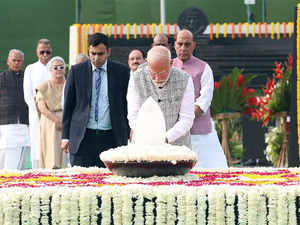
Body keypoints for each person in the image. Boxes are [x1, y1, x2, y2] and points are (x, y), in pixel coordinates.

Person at [61, 32, 130, 167]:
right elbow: (69, 105)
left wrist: (127, 134)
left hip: (111, 138)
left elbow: (126, 104)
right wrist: (65, 136)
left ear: (108, 52)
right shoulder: (76, 71)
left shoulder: (121, 72)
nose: (96, 58)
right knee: (81, 181)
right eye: (92, 53)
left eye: (100, 54)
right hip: (82, 138)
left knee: (110, 183)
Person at [172, 29, 228, 168]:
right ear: (174, 45)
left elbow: (205, 100)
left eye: (187, 44)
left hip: (199, 132)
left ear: (194, 45)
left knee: (211, 170)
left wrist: (185, 118)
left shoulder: (204, 68)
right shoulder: (168, 66)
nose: (183, 48)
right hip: (173, 132)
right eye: (180, 44)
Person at [127, 46, 195, 147]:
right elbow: (133, 115)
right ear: (147, 62)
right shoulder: (136, 78)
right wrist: (148, 136)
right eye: (153, 73)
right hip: (144, 144)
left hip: (178, 146)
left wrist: (166, 137)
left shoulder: (185, 79)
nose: (158, 78)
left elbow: (187, 118)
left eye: (162, 73)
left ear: (171, 63)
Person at [23, 39, 52, 169]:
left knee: (53, 145)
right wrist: (39, 111)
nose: (45, 54)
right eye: (42, 52)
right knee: (37, 145)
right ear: (37, 52)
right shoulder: (31, 69)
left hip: (55, 114)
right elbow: (28, 95)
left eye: (47, 52)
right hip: (36, 115)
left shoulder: (55, 66)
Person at [0, 49, 30, 170]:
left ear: (22, 62)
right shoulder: (1, 78)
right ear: (8, 61)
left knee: (19, 162)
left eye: (19, 61)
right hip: (5, 124)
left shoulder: (27, 77)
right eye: (14, 60)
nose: (16, 63)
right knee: (3, 156)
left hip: (24, 123)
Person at [35, 56, 67, 169]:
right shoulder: (43, 87)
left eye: (61, 67)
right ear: (50, 70)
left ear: (65, 69)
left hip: (67, 120)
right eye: (55, 67)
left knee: (65, 155)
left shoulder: (69, 85)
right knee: (51, 152)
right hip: (49, 121)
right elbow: (42, 108)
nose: (58, 69)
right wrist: (56, 120)